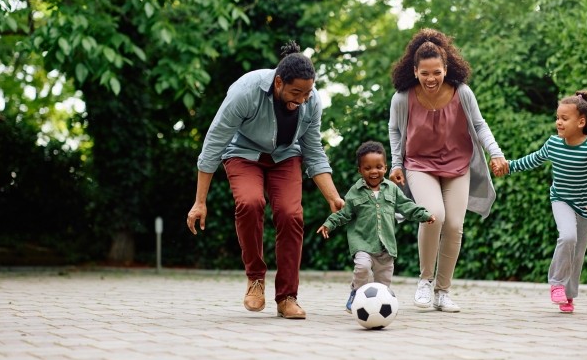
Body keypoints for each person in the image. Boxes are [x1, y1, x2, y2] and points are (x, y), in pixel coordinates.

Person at [186, 41, 345, 320]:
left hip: (286, 157)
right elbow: (214, 143)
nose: (303, 99)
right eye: (296, 92)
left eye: (308, 92)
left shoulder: (312, 101)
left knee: (291, 214)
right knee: (250, 202)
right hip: (243, 153)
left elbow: (313, 150)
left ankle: (287, 297)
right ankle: (255, 279)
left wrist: (332, 197)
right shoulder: (246, 91)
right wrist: (200, 201)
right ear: (279, 81)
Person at [388, 28, 508, 312]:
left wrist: (496, 152)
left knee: (454, 225)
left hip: (457, 165)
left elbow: (479, 125)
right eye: (425, 73)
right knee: (433, 216)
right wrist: (395, 162)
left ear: (446, 68)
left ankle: (443, 291)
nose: (431, 79)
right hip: (419, 164)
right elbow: (395, 130)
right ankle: (425, 281)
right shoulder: (403, 98)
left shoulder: (462, 93)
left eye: (437, 72)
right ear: (415, 70)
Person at [497, 90, 587, 313]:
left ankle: (568, 295)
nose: (558, 122)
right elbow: (533, 159)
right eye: (558, 117)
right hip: (561, 199)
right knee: (567, 236)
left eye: (565, 118)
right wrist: (509, 165)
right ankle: (556, 283)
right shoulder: (553, 144)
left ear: (581, 122)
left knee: (578, 251)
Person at [317, 141, 436, 313]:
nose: (374, 171)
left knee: (383, 282)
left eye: (379, 167)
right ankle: (356, 292)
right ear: (360, 170)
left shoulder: (392, 189)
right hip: (362, 242)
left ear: (385, 168)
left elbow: (406, 206)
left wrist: (424, 215)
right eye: (368, 168)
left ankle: (380, 306)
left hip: (385, 245)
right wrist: (329, 223)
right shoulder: (354, 192)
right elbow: (344, 213)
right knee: (363, 267)